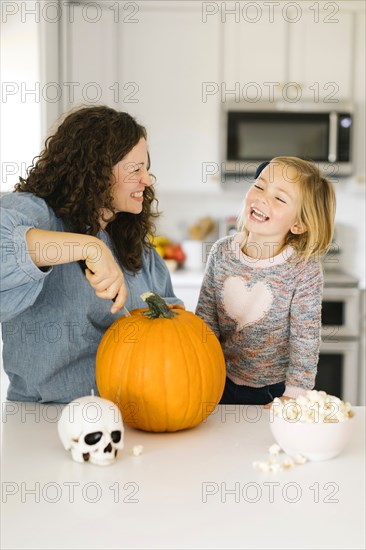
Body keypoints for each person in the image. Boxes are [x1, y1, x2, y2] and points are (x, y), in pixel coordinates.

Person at [0, 105, 182, 403]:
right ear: (96, 170)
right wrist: (89, 247)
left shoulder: (137, 248)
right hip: (43, 419)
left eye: (146, 168)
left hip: (132, 415)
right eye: (135, 169)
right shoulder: (37, 216)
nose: (147, 180)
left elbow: (173, 328)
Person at [195, 157, 336, 406]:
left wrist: (293, 396)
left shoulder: (304, 268)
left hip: (276, 391)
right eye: (260, 186)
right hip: (217, 381)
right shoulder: (221, 252)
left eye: (280, 198)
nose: (262, 198)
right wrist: (198, 374)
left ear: (299, 224)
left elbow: (305, 339)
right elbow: (206, 323)